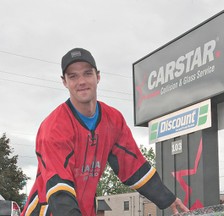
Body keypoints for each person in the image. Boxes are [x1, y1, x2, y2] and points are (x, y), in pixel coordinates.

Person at [21, 48, 189, 216]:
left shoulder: (113, 119)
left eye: (87, 73)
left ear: (98, 76)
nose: (81, 81)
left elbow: (133, 167)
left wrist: (168, 199)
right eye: (73, 76)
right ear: (64, 82)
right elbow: (59, 188)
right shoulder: (54, 127)